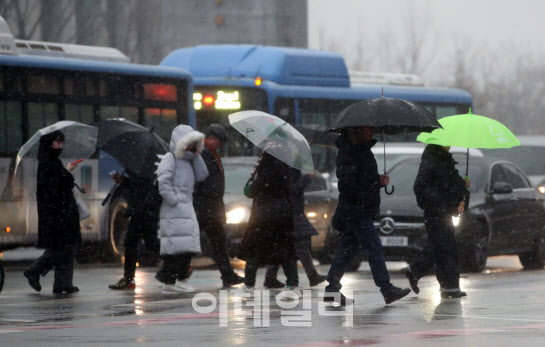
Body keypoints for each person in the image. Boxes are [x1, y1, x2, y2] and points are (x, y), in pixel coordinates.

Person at [324, 126, 411, 306]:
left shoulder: (360, 150)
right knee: (374, 248)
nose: (371, 131)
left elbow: (362, 178)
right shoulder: (350, 152)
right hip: (357, 210)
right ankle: (387, 289)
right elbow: (348, 184)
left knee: (347, 250)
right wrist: (369, 190)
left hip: (357, 209)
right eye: (367, 129)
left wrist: (378, 181)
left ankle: (332, 289)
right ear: (356, 131)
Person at [405, 144, 470, 299]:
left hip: (445, 211)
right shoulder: (432, 161)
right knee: (444, 247)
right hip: (436, 212)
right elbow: (420, 187)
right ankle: (447, 285)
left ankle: (447, 285)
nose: (450, 144)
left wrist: (463, 185)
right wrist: (440, 203)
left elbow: (449, 185)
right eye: (447, 141)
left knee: (442, 247)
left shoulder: (445, 160)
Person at [23, 130, 81, 295]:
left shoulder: (52, 160)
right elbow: (60, 185)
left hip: (60, 212)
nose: (60, 145)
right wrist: (68, 173)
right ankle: (35, 270)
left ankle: (63, 284)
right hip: (57, 214)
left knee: (66, 247)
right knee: (61, 247)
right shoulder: (48, 161)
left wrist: (66, 171)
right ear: (49, 143)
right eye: (58, 142)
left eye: (61, 142)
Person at [154, 125, 209, 294]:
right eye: (190, 143)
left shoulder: (189, 159)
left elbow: (203, 175)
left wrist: (197, 156)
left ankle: (173, 280)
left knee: (186, 246)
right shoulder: (170, 158)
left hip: (186, 207)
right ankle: (174, 279)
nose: (193, 146)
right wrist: (175, 201)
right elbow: (163, 182)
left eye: (195, 143)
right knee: (176, 247)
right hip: (175, 209)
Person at [238, 152, 300, 295]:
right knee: (285, 250)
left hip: (263, 215)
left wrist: (251, 188)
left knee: (252, 249)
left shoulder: (267, 163)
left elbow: (258, 188)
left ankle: (249, 286)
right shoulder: (284, 164)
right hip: (282, 213)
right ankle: (292, 285)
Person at [193, 124, 244, 288]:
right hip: (204, 206)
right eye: (219, 141)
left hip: (212, 207)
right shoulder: (202, 153)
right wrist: (198, 204)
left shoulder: (212, 153)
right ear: (210, 138)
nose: (220, 145)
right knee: (194, 241)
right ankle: (173, 272)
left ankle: (228, 275)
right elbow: (201, 181)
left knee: (218, 241)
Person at [263, 168, 327, 288]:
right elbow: (291, 189)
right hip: (290, 212)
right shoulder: (285, 166)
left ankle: (270, 277)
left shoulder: (287, 165)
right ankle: (309, 275)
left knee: (284, 244)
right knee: (298, 243)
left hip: (290, 211)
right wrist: (307, 178)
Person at [108, 170, 161, 290]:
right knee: (132, 243)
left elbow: (142, 186)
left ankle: (177, 267)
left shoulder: (146, 168)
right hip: (140, 211)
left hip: (145, 211)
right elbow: (136, 186)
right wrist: (122, 180)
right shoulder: (139, 167)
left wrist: (125, 181)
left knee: (150, 244)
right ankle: (128, 278)